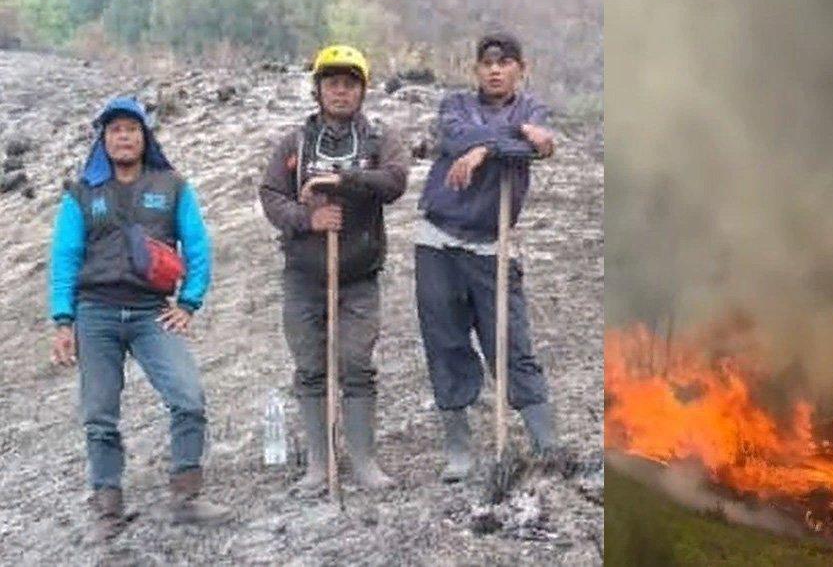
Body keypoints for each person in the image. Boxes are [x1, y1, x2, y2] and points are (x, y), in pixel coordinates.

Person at [48, 96, 230, 541]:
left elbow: (198, 247)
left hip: (153, 313)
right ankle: (107, 508)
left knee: (188, 398)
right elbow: (64, 258)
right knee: (99, 415)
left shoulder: (172, 186)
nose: (123, 137)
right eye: (114, 131)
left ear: (145, 135)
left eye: (132, 129)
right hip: (96, 313)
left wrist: (188, 303)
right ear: (103, 139)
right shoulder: (81, 192)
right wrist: (62, 320)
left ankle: (186, 495)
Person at [259, 45, 409, 492]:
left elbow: (396, 182)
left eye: (349, 84)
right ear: (318, 89)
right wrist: (308, 219)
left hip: (360, 275)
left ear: (362, 90)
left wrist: (345, 182)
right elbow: (271, 195)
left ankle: (364, 462)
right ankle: (319, 466)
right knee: (309, 367)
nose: (340, 92)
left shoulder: (381, 139)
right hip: (304, 276)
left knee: (357, 364)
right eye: (332, 84)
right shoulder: (295, 143)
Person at [415, 32, 559, 483]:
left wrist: (489, 148)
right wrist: (504, 140)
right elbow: (456, 137)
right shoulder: (454, 104)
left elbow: (539, 147)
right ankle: (459, 449)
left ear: (522, 68)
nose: (495, 70)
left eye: (506, 62)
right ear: (476, 69)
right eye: (487, 63)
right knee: (447, 341)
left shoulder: (533, 109)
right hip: (439, 238)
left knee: (512, 343)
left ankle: (546, 444)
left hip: (492, 242)